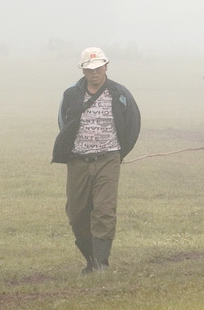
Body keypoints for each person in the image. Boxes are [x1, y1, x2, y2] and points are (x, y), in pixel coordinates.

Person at [52, 47, 141, 274]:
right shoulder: (71, 94)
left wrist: (119, 153)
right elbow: (64, 123)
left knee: (104, 210)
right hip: (78, 160)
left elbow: (133, 124)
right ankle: (90, 259)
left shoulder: (119, 94)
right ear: (83, 70)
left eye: (98, 67)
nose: (94, 73)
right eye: (89, 69)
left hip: (108, 158)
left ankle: (102, 263)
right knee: (76, 212)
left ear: (106, 66)